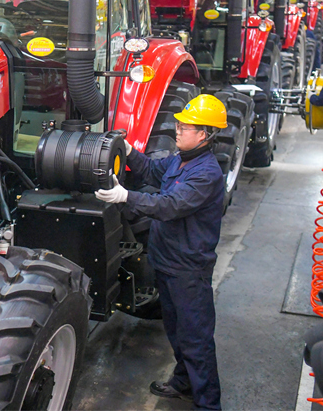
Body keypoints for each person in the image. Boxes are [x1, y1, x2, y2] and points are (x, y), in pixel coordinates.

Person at [95, 94, 227, 411]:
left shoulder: (205, 173)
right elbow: (152, 171)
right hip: (167, 263)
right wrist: (127, 151)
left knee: (195, 339)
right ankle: (183, 383)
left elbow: (168, 206)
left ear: (205, 134)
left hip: (189, 271)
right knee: (177, 332)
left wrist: (124, 196)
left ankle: (209, 405)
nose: (177, 130)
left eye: (185, 126)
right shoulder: (181, 159)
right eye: (179, 124)